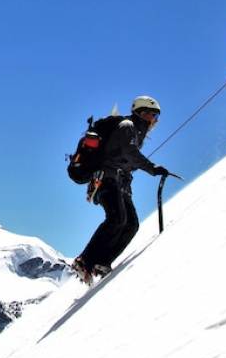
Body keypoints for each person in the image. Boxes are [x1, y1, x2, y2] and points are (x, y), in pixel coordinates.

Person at [72, 96, 169, 284]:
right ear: (142, 113)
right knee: (117, 218)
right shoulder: (127, 126)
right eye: (153, 115)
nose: (155, 120)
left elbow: (126, 159)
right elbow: (129, 153)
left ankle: (102, 262)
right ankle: (85, 260)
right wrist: (152, 168)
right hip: (106, 177)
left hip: (119, 182)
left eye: (156, 117)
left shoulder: (135, 132)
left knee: (131, 224)